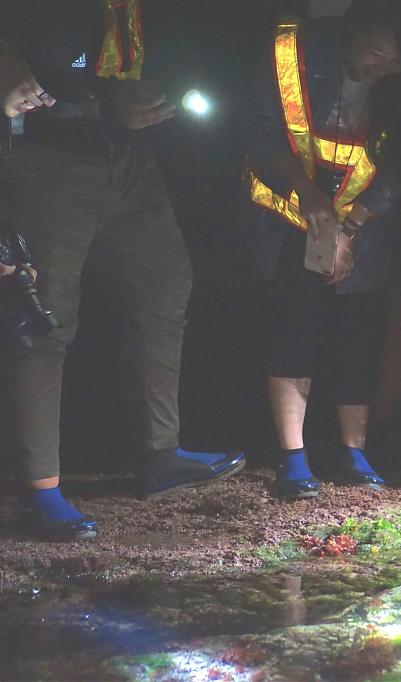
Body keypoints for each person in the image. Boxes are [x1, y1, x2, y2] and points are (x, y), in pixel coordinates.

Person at [0, 0, 244, 540]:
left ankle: (161, 452)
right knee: (45, 318)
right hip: (51, 155)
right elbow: (42, 58)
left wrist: (146, 97)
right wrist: (109, 101)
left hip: (126, 155)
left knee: (167, 279)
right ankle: (40, 485)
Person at [243, 0, 401, 499]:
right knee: (295, 326)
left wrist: (350, 230)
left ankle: (354, 452)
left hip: (363, 222)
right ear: (354, 28)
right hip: (290, 208)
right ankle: (293, 458)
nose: (378, 69)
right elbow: (261, 135)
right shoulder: (293, 49)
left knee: (356, 336)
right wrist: (308, 199)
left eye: (391, 63)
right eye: (374, 53)